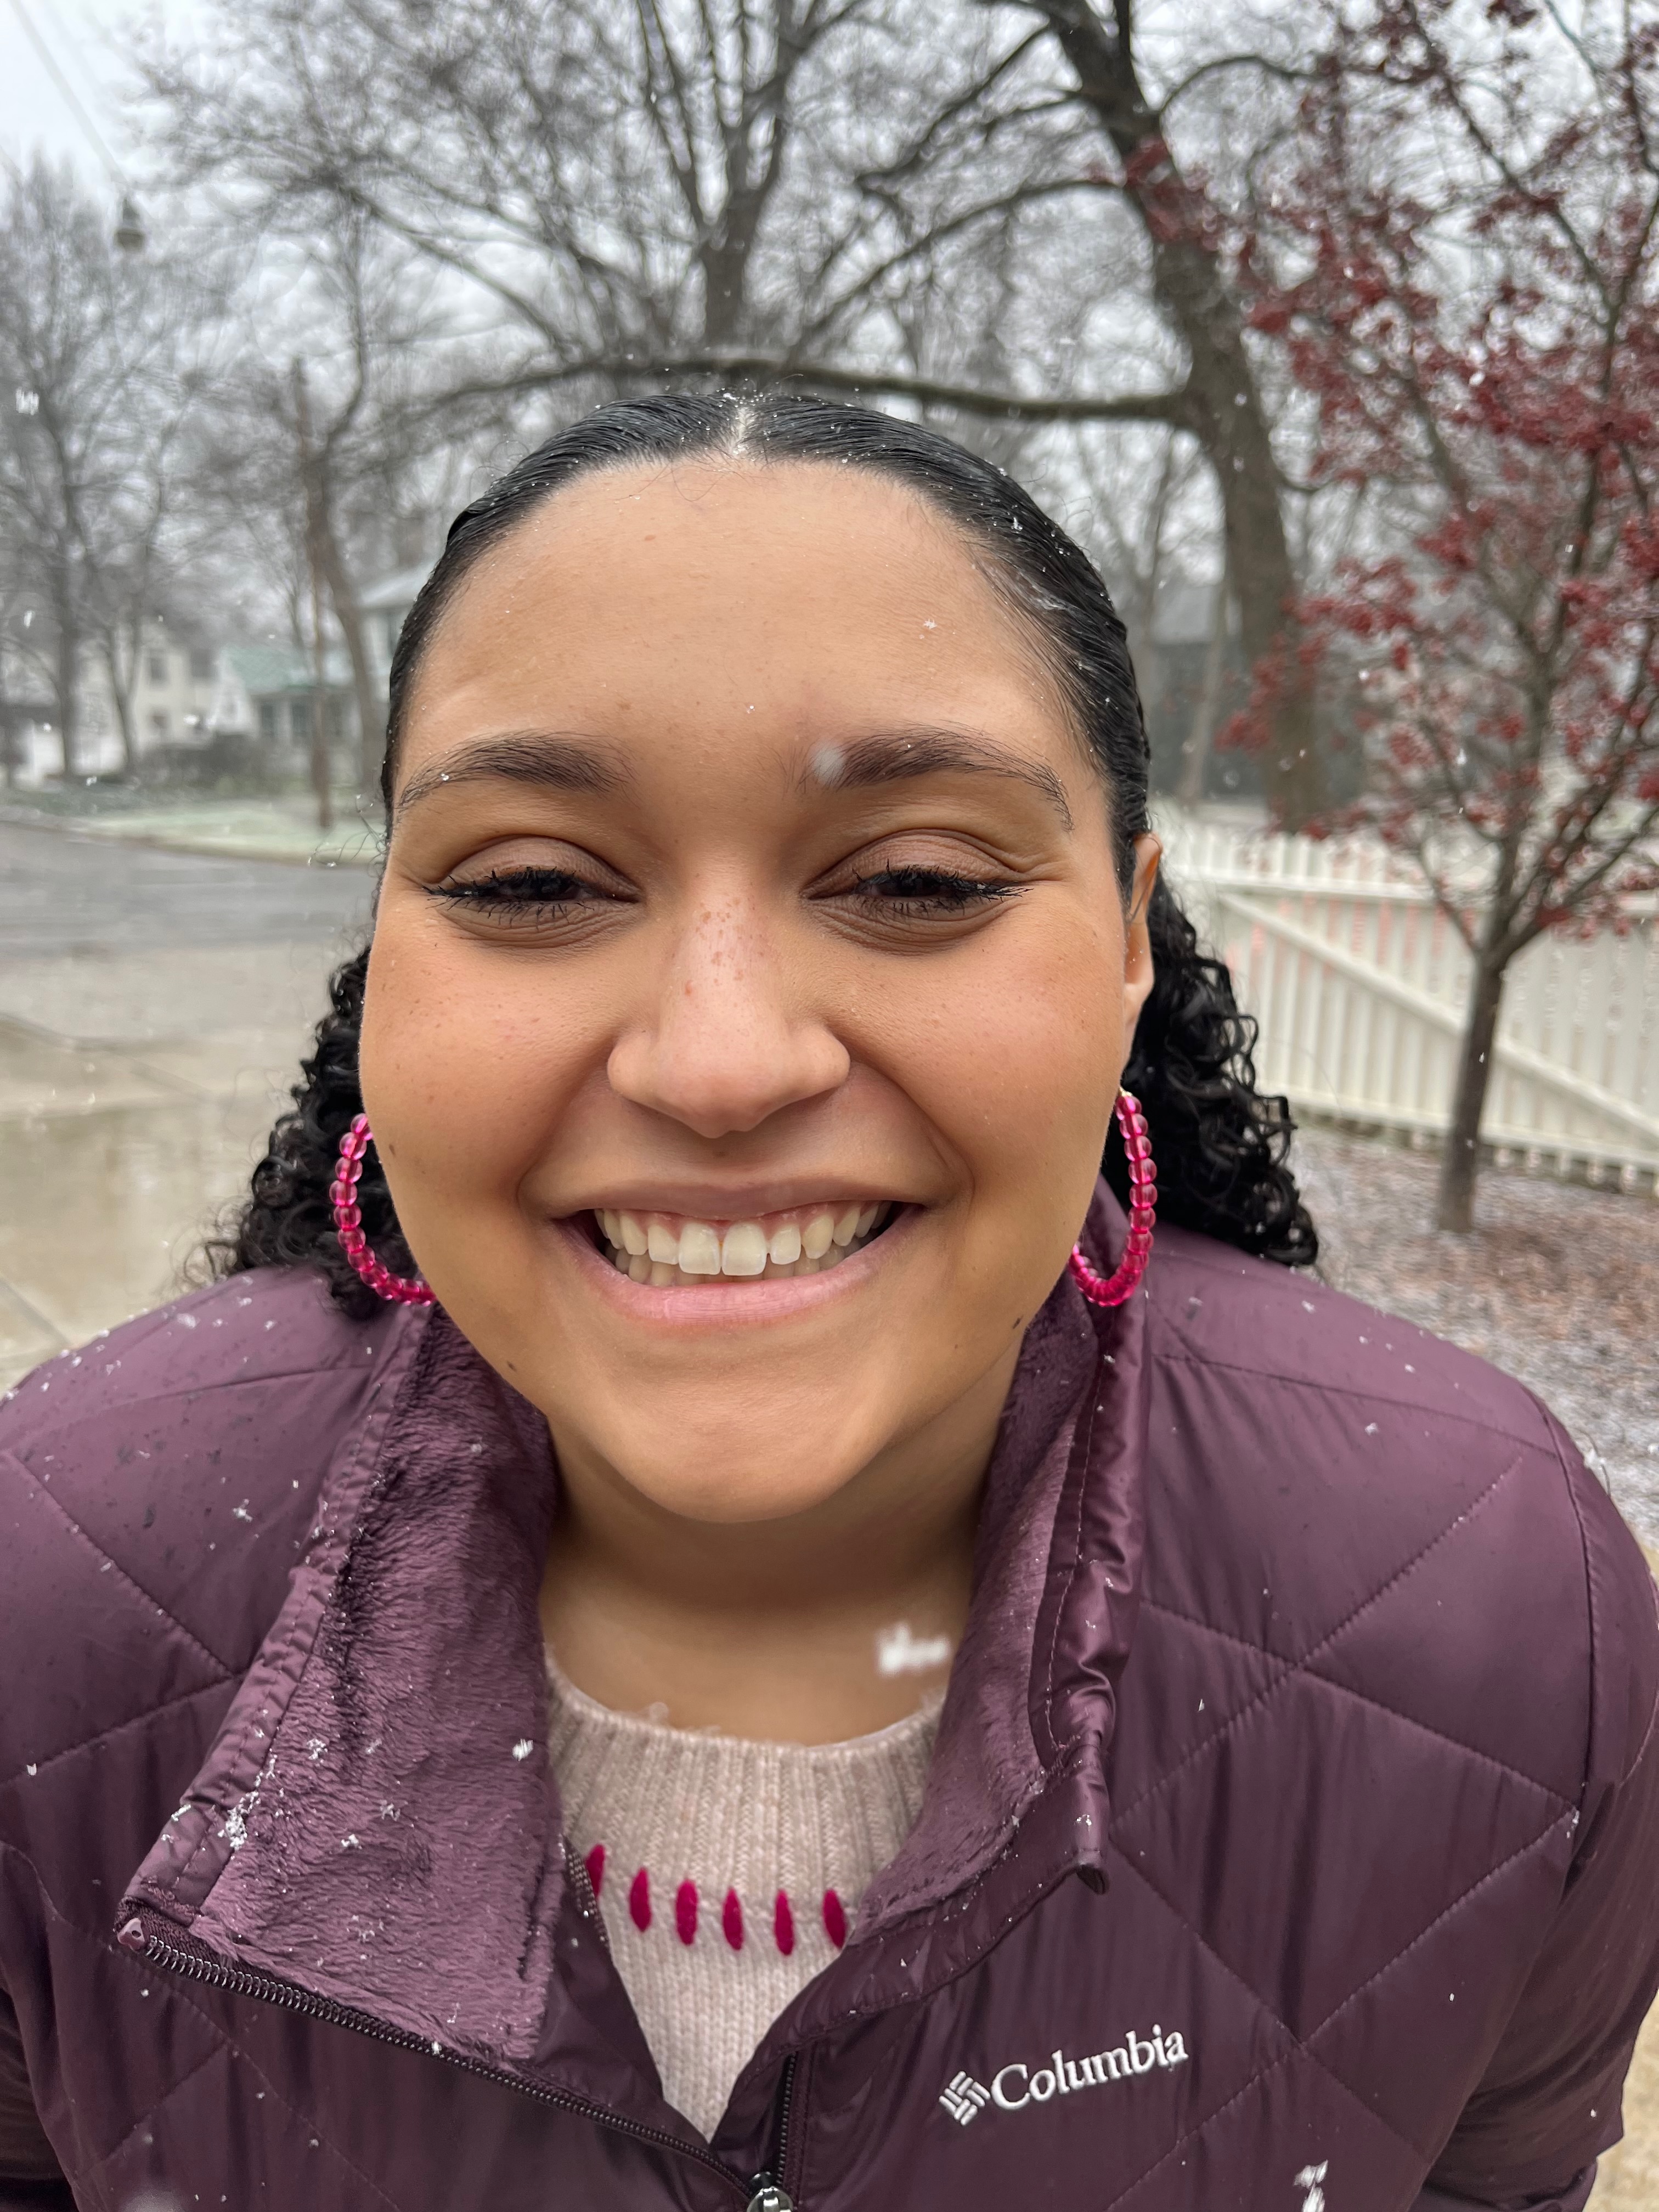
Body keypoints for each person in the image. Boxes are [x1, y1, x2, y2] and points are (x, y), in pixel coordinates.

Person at [1, 394, 1655, 2212]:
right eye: (535, 881)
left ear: (1126, 942)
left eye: (920, 881)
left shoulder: (1505, 1620)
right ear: (383, 945)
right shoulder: (42, 1592)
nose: (721, 1062)